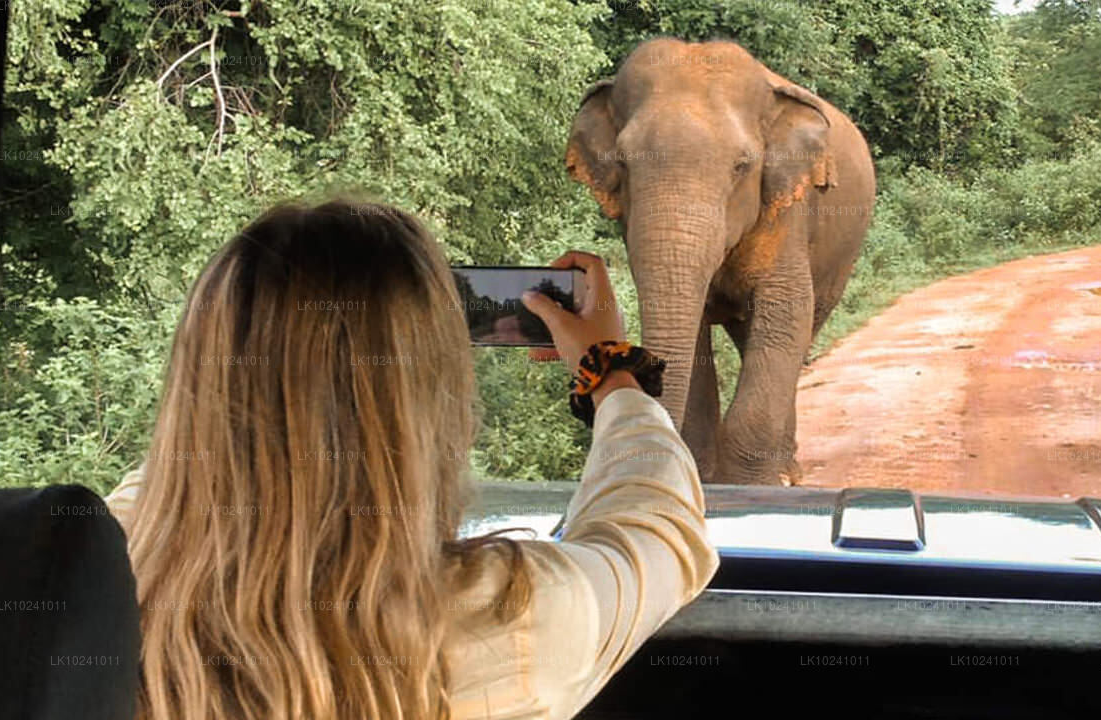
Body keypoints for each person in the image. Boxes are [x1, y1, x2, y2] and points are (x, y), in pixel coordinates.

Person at [103, 200, 719, 720]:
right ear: (430, 401)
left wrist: (253, 373)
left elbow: (186, 470)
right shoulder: (513, 617)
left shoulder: (104, 580)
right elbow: (655, 527)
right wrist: (607, 369)